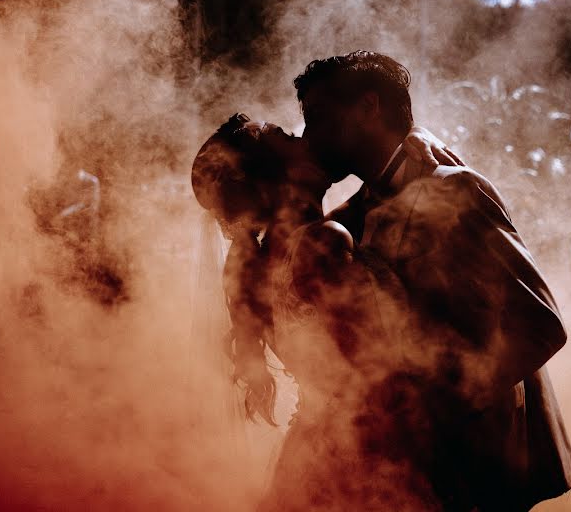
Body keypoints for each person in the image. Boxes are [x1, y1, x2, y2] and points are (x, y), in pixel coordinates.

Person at [296, 51, 571, 511]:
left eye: (318, 118)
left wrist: (434, 408)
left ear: (369, 107)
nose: (309, 138)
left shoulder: (453, 188)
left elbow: (540, 323)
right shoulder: (357, 209)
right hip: (411, 471)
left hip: (475, 470)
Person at [191, 113, 459, 510]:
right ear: (277, 176)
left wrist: (414, 134)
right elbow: (379, 375)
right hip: (366, 460)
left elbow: (379, 190)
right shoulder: (321, 244)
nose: (305, 137)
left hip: (314, 453)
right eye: (287, 137)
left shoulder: (271, 257)